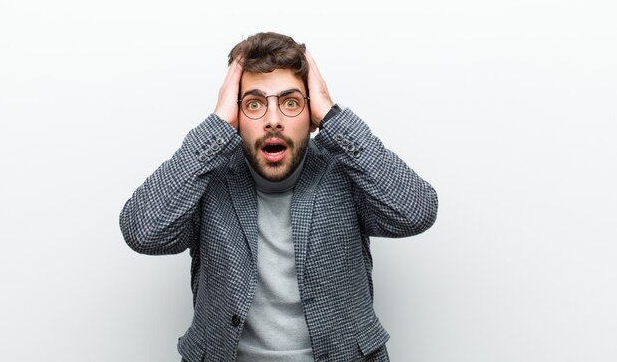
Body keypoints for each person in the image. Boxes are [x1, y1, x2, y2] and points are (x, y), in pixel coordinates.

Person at [119, 32, 438, 362]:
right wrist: (216, 127)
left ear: (310, 115)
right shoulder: (206, 176)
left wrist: (333, 116)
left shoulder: (346, 169)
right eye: (254, 104)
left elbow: (416, 211)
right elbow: (142, 232)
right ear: (236, 117)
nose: (273, 120)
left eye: (291, 103)